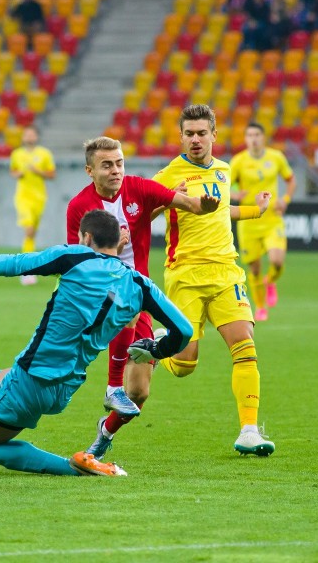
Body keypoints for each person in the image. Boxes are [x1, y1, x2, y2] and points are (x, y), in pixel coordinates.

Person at [0, 210, 193, 477]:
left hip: (31, 380)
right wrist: (157, 350)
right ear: (118, 241)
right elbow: (183, 330)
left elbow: (16, 264)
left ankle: (77, 468)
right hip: (66, 387)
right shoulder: (141, 285)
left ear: (87, 238)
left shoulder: (74, 257)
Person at [66, 136, 220, 457]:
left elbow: (184, 202)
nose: (116, 170)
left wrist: (201, 205)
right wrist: (113, 250)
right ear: (89, 171)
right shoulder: (79, 207)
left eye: (119, 163)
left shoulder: (139, 189)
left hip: (138, 297)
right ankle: (112, 385)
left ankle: (105, 432)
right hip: (97, 299)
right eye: (107, 165)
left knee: (138, 393)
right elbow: (77, 261)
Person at [153, 104, 275, 456]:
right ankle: (158, 346)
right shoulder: (168, 174)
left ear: (213, 136)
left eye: (201, 133)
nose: (195, 139)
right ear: (180, 136)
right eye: (189, 133)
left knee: (245, 346)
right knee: (184, 365)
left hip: (225, 272)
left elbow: (222, 209)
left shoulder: (223, 170)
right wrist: (170, 198)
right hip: (186, 274)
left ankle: (249, 431)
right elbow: (142, 213)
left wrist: (257, 210)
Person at [230, 122, 296, 322]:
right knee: (255, 268)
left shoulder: (276, 157)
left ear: (263, 137)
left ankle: (271, 281)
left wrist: (285, 200)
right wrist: (235, 193)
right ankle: (260, 306)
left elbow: (291, 180)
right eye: (249, 135)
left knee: (277, 260)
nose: (253, 138)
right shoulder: (238, 161)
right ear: (245, 139)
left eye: (257, 134)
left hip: (271, 218)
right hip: (248, 219)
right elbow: (225, 185)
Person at [8, 125, 56, 285]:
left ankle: (27, 266)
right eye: (26, 134)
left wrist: (38, 171)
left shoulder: (44, 154)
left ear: (36, 137)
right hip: (23, 197)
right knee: (28, 230)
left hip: (39, 198)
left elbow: (51, 174)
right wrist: (18, 174)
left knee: (32, 233)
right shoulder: (17, 154)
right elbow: (13, 171)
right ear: (23, 137)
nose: (29, 137)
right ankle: (26, 270)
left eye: (31, 134)